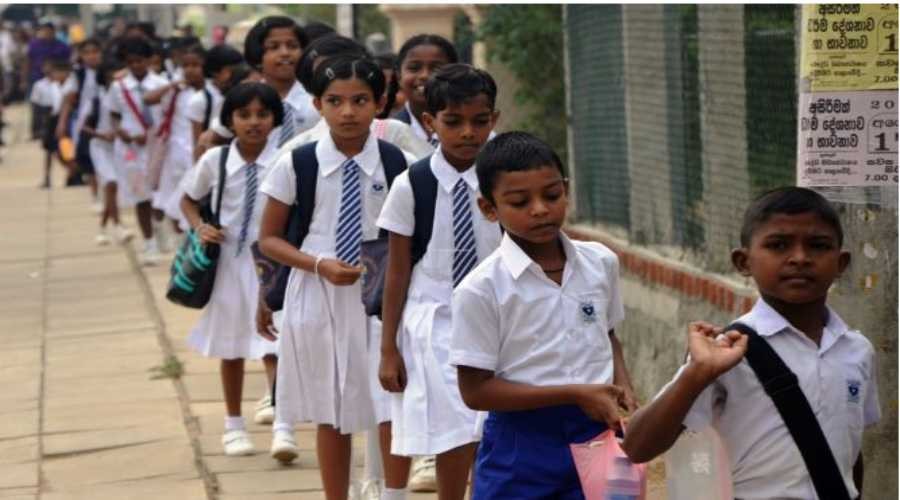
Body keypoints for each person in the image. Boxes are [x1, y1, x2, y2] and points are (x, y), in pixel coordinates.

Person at [622, 187, 881, 500]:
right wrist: (696, 374)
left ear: (841, 263)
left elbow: (848, 450)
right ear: (743, 262)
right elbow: (637, 447)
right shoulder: (726, 352)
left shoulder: (856, 350)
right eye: (778, 245)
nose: (800, 258)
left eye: (818, 246)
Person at [258, 55, 417, 500]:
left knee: (391, 401)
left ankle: (394, 494)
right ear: (318, 104)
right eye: (335, 101)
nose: (348, 112)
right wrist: (318, 264)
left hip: (382, 296)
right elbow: (268, 239)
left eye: (360, 100)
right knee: (331, 409)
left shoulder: (399, 164)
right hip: (317, 293)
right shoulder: (297, 163)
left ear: (379, 104)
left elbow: (413, 234)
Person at [450, 131, 638, 499]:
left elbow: (607, 334)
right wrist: (574, 394)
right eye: (520, 202)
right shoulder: (481, 289)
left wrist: (624, 383)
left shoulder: (600, 263)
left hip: (598, 431)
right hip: (521, 444)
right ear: (489, 208)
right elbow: (475, 391)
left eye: (551, 195)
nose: (539, 209)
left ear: (566, 190)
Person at [377, 63, 501, 500]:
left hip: (498, 319)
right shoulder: (412, 184)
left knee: (491, 427)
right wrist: (388, 348)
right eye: (454, 122)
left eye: (479, 121)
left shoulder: (504, 179)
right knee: (455, 429)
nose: (468, 132)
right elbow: (396, 271)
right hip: (436, 323)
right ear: (430, 122)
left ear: (494, 119)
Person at [180, 82, 282, 456]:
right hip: (228, 262)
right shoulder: (216, 161)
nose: (254, 122)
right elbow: (188, 199)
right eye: (244, 115)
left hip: (270, 262)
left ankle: (282, 421)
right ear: (229, 120)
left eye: (262, 114)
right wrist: (200, 226)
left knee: (275, 343)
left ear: (275, 119)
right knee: (232, 345)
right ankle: (233, 424)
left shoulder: (285, 160)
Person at [196, 16, 318, 160]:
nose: (285, 53)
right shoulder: (246, 95)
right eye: (274, 47)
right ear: (258, 55)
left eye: (292, 46)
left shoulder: (316, 98)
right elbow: (208, 139)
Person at [107, 36, 169, 266]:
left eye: (140, 61)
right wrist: (120, 131)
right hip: (131, 148)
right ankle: (149, 242)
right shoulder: (118, 87)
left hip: (157, 146)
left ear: (149, 60)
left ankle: (159, 225)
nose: (136, 66)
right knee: (140, 195)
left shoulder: (161, 83)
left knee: (159, 195)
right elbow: (114, 113)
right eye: (131, 62)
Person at [143, 43, 207, 236]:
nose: (190, 70)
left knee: (194, 196)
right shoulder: (176, 90)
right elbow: (148, 99)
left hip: (199, 152)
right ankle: (179, 239)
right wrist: (173, 86)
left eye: (195, 65)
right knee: (173, 198)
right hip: (175, 153)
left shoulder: (209, 92)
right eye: (186, 66)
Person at [86, 58, 135, 246]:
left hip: (118, 146)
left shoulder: (124, 94)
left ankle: (102, 228)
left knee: (113, 189)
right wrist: (102, 134)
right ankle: (118, 226)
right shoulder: (97, 98)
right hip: (100, 146)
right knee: (111, 183)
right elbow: (84, 126)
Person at [57, 38, 103, 208]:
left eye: (95, 52)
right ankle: (96, 195)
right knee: (89, 160)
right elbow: (69, 100)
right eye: (87, 53)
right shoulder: (78, 75)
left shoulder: (108, 71)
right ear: (81, 56)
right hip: (84, 123)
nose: (91, 56)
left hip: (105, 121)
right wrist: (62, 123)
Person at [389, 35, 458, 147]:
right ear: (399, 76)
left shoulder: (472, 130)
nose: (424, 75)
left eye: (436, 68)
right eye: (414, 68)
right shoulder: (386, 134)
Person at [186, 43, 244, 155]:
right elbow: (198, 143)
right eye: (230, 70)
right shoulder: (200, 100)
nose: (236, 75)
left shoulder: (237, 94)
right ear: (215, 71)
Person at [31, 58, 72, 188]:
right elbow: (36, 106)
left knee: (65, 149)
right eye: (46, 67)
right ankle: (47, 177)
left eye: (51, 68)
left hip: (62, 117)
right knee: (49, 151)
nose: (48, 70)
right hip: (48, 117)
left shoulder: (65, 84)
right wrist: (36, 127)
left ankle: (73, 173)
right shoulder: (39, 85)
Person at [26, 22, 70, 140]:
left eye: (49, 31)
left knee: (56, 104)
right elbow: (28, 61)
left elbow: (68, 63)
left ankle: (56, 128)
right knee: (36, 105)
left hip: (57, 80)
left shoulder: (62, 46)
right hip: (37, 78)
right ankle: (36, 130)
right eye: (44, 31)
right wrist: (24, 78)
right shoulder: (34, 44)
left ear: (53, 32)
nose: (46, 33)